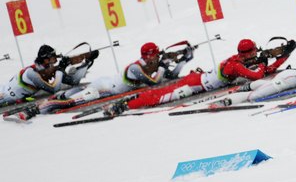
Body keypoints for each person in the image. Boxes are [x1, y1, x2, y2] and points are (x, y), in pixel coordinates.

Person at [103, 38, 295, 116]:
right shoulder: (235, 65)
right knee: (159, 97)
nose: (257, 54)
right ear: (248, 53)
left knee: (160, 93)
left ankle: (128, 102)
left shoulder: (240, 60)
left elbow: (265, 71)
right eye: (255, 52)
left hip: (199, 79)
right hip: (194, 85)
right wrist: (263, 62)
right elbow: (257, 75)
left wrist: (285, 54)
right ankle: (123, 105)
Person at [33, 41, 193, 116]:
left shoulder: (150, 64)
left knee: (72, 94)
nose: (159, 57)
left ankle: (52, 100)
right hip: (103, 88)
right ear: (151, 56)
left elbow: (171, 76)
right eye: (157, 55)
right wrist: (164, 64)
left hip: (106, 86)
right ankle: (36, 109)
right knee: (70, 102)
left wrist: (185, 60)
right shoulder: (135, 68)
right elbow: (155, 81)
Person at [0, 45, 95, 108]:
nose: (55, 60)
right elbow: (54, 89)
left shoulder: (45, 70)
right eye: (53, 57)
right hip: (4, 97)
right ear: (46, 60)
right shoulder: (31, 74)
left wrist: (87, 62)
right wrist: (61, 68)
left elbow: (73, 81)